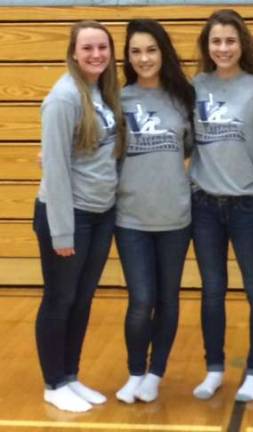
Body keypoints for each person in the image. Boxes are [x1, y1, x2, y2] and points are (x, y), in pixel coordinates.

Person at [33, 21, 125, 413]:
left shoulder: (101, 92)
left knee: (82, 298)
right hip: (68, 216)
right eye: (87, 48)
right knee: (60, 298)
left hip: (100, 214)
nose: (96, 55)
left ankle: (70, 375)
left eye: (102, 47)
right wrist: (61, 233)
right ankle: (53, 383)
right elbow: (54, 169)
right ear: (73, 52)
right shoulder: (63, 98)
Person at [190, 9, 253, 402]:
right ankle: (214, 368)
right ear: (207, 47)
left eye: (230, 41)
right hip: (204, 205)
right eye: (216, 41)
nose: (223, 48)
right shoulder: (194, 87)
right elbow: (182, 141)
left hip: (249, 205)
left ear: (242, 44)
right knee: (212, 290)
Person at [115, 19, 195, 404]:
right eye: (135, 51)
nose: (144, 58)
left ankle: (155, 373)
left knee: (168, 298)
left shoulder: (184, 98)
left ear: (163, 52)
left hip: (176, 218)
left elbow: (197, 150)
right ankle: (135, 371)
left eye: (150, 50)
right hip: (130, 218)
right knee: (141, 298)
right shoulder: (118, 100)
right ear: (127, 57)